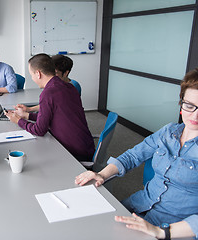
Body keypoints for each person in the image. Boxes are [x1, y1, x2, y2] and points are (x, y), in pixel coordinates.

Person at [75, 68, 198, 239]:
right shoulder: (169, 132)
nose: (195, 114)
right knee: (86, 225)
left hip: (175, 228)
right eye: (190, 106)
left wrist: (161, 232)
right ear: (181, 104)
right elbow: (133, 156)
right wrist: (101, 174)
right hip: (138, 207)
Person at [5, 53, 95, 161]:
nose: (32, 78)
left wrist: (18, 121)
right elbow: (52, 116)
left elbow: (39, 130)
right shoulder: (69, 87)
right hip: (86, 145)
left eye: (31, 75)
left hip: (73, 152)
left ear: (38, 73)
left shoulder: (48, 93)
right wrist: (27, 116)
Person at [15, 54, 81, 113]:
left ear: (66, 73)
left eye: (55, 73)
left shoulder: (72, 86)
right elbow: (48, 104)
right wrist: (29, 109)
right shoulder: (54, 85)